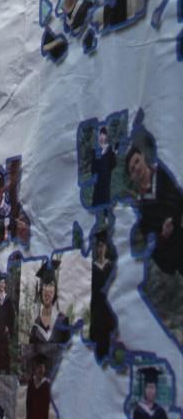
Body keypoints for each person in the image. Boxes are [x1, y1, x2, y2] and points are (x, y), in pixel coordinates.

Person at [126, 145, 183, 275]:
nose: (137, 168)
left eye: (137, 161)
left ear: (143, 156)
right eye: (132, 169)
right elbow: (153, 244)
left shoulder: (165, 171)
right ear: (131, 178)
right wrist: (163, 235)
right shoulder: (141, 211)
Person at [29, 260, 71, 346]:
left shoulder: (63, 321)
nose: (47, 290)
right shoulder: (36, 325)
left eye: (51, 285)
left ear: (55, 290)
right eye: (45, 285)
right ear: (41, 291)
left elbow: (68, 351)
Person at [90, 231, 115, 360]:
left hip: (109, 309)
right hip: (96, 309)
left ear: (106, 247)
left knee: (109, 337)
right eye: (98, 246)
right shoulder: (91, 268)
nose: (100, 249)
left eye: (102, 246)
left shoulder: (111, 266)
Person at [25, 355, 51, 419]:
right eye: (39, 367)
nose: (41, 370)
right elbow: (28, 405)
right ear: (35, 369)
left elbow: (45, 410)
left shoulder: (46, 385)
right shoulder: (31, 383)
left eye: (42, 367)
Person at [91, 127, 116, 208]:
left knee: (105, 196)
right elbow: (93, 165)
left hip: (106, 177)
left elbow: (113, 164)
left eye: (103, 134)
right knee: (97, 195)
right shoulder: (95, 150)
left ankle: (105, 212)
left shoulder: (109, 149)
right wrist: (94, 175)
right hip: (98, 178)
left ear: (106, 136)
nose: (102, 136)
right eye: (100, 134)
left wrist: (114, 153)